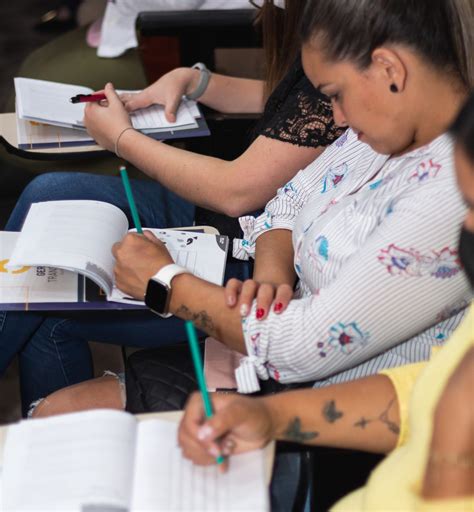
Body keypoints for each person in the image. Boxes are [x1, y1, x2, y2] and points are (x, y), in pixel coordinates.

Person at [31, 0, 473, 416]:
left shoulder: (449, 192)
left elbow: (303, 346)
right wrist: (270, 281)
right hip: (270, 347)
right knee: (54, 372)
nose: (336, 119)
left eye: (336, 93)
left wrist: (167, 282)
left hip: (327, 403)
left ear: (389, 68)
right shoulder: (391, 127)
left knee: (59, 411)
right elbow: (285, 202)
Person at [1, 0, 343, 414]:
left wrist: (122, 140)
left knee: (47, 290)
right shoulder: (333, 47)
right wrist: (198, 82)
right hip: (246, 225)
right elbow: (296, 103)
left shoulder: (348, 41)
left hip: (241, 247)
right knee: (49, 196)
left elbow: (238, 190)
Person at [176, 91, 474, 511]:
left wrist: (165, 282)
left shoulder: (437, 192)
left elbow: (300, 344)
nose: (463, 229)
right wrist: (273, 418)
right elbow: (419, 394)